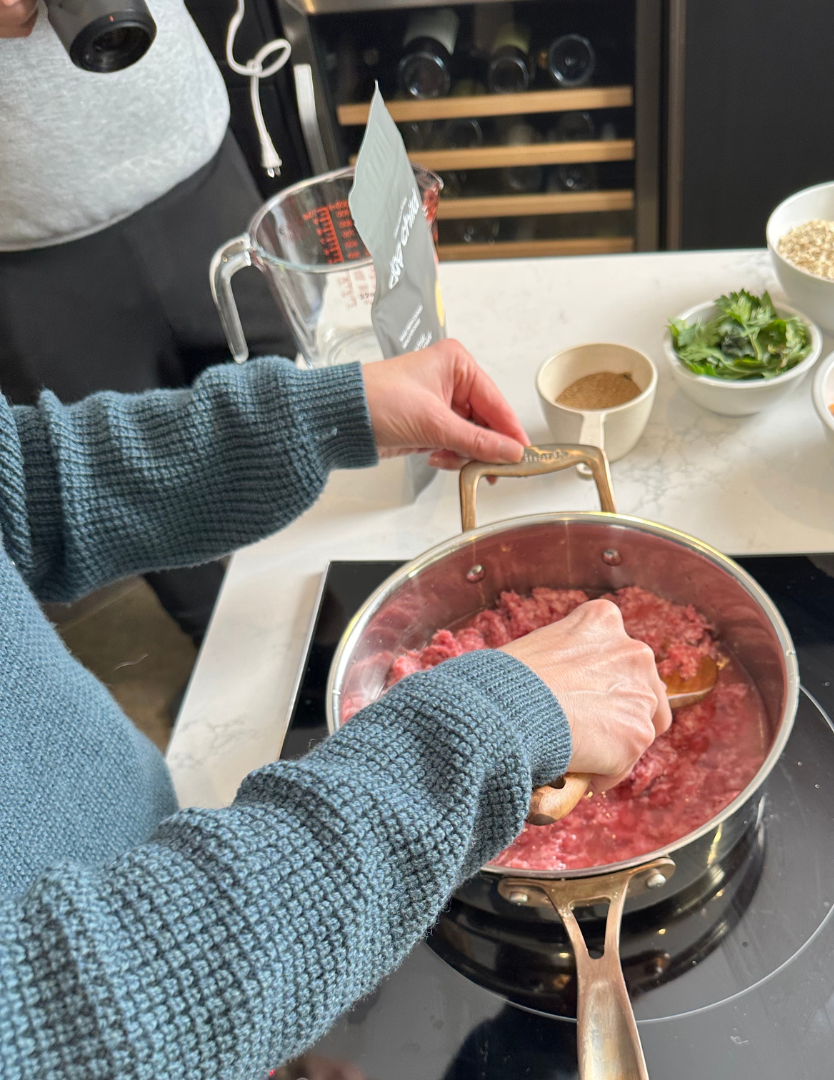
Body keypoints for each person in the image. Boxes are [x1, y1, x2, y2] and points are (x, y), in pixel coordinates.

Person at [0, 339, 672, 1078]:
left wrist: (316, 416)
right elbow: (65, 1033)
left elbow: (20, 485)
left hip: (190, 889)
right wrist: (492, 719)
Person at [0, 0, 294, 639]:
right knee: (140, 495)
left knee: (291, 420)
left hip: (195, 155)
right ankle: (230, 668)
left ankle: (360, 641)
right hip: (23, 241)